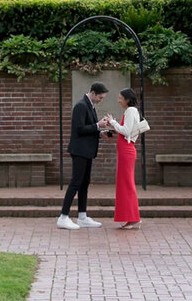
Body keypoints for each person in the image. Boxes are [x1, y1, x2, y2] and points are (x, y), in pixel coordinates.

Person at [58, 81, 107, 228]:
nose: (101, 100)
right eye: (100, 97)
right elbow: (79, 129)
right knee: (75, 183)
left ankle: (82, 216)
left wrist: (100, 132)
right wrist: (98, 125)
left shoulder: (89, 105)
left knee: (84, 184)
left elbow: (87, 128)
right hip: (80, 151)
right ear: (93, 93)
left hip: (86, 151)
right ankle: (63, 217)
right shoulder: (81, 105)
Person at [106, 87, 149, 228]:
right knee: (125, 184)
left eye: (120, 98)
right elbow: (127, 131)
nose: (118, 100)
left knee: (127, 184)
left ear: (127, 99)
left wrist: (113, 122)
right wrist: (114, 127)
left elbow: (126, 131)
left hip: (127, 151)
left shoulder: (130, 111)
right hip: (126, 150)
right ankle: (131, 217)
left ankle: (133, 218)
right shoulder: (131, 111)